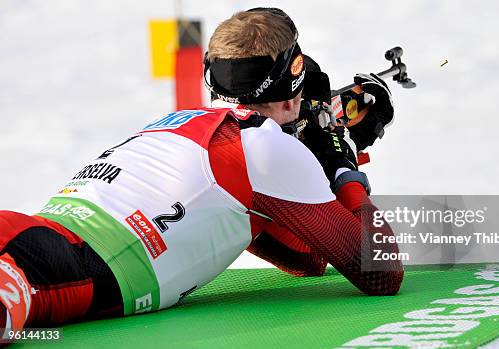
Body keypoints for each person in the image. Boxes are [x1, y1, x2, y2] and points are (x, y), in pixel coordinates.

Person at [0, 7, 402, 333]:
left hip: (40, 241)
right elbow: (382, 272)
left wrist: (320, 159)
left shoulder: (180, 120)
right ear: (292, 78)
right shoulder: (265, 146)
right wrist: (341, 164)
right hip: (62, 259)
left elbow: (308, 258)